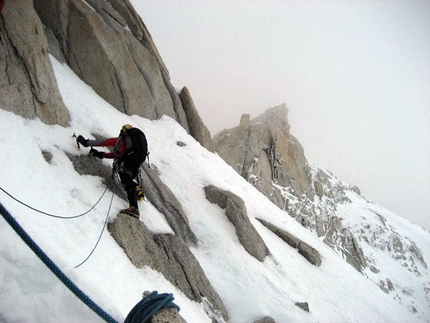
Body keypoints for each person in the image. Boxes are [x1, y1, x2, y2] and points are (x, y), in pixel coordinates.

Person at [76, 124, 148, 218]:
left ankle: (134, 208)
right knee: (127, 180)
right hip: (135, 166)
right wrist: (100, 154)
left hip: (126, 164)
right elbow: (116, 154)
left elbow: (103, 142)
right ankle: (136, 187)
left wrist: (86, 142)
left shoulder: (121, 141)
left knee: (125, 180)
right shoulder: (132, 148)